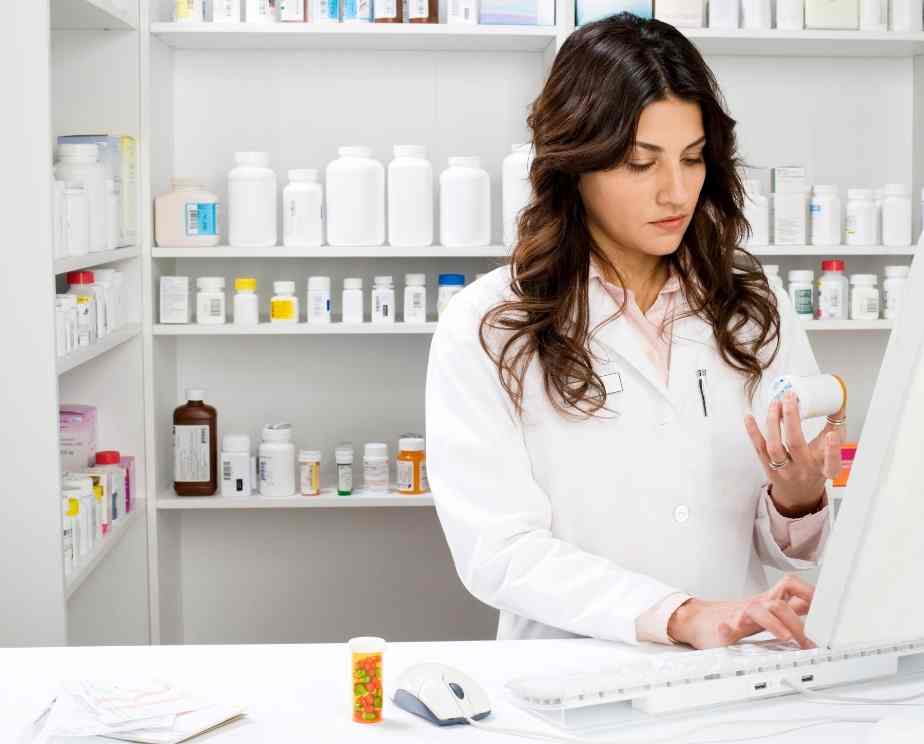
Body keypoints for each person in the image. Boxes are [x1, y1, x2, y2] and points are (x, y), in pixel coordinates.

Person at [425, 14, 846, 650]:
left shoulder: (753, 307)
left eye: (692, 158)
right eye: (638, 163)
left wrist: (798, 498)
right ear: (576, 163)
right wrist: (678, 613)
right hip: (572, 677)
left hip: (735, 673)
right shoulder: (490, 324)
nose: (676, 191)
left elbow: (788, 545)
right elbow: (499, 551)